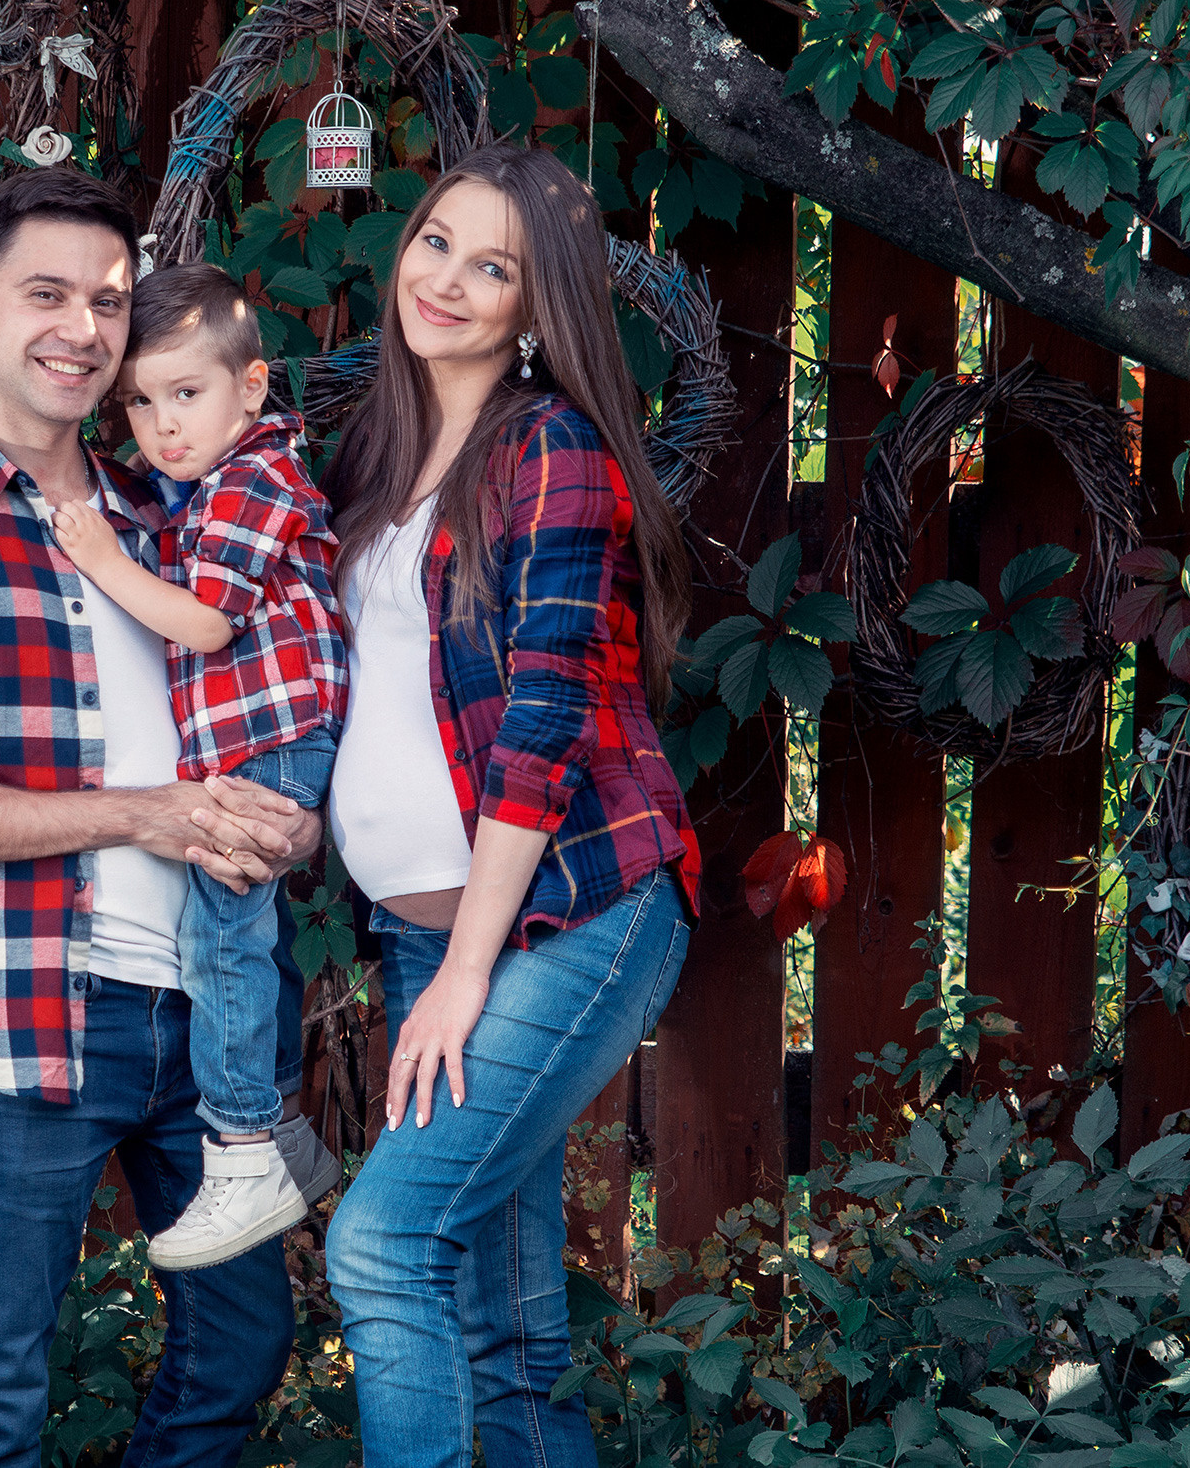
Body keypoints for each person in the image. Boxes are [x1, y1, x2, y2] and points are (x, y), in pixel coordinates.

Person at [0, 168, 333, 1468]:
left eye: (107, 301)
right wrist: (152, 816)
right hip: (37, 1007)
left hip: (214, 1011)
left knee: (240, 1346)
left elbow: (281, 708)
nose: (83, 329)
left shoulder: (172, 501)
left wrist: (285, 827)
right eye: (45, 294)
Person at [316, 143, 701, 1468]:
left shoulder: (553, 451)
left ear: (540, 311)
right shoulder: (385, 450)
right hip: (432, 932)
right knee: (509, 1321)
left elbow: (543, 728)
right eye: (436, 242)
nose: (450, 281)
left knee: (382, 1241)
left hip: (573, 915)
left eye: (496, 269)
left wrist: (467, 971)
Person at [49, 264, 349, 1270]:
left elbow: (210, 624)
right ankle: (292, 1138)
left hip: (271, 732)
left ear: (251, 387)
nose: (161, 425)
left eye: (187, 393)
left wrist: (100, 558)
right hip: (264, 731)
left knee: (219, 937)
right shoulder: (208, 478)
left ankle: (242, 1149)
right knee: (248, 936)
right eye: (140, 400)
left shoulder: (253, 476)